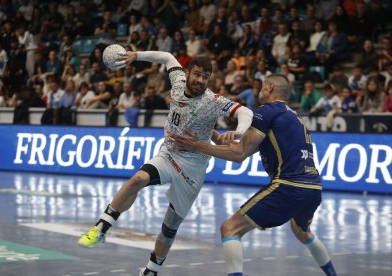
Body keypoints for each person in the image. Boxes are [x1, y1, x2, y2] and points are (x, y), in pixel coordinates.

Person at [78, 50, 253, 276]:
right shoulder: (178, 81)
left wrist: (238, 132)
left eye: (206, 76)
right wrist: (136, 55)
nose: (201, 80)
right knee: (137, 179)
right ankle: (101, 227)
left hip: (194, 167)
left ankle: (151, 270)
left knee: (169, 229)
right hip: (168, 155)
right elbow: (168, 57)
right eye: (197, 74)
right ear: (188, 73)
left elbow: (246, 112)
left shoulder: (213, 101)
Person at [169, 74, 337, 276]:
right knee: (302, 232)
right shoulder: (292, 117)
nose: (259, 91)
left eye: (262, 87)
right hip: (313, 189)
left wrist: (197, 146)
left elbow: (238, 154)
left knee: (229, 229)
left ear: (271, 88)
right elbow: (241, 147)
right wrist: (210, 133)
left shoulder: (267, 111)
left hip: (288, 186)